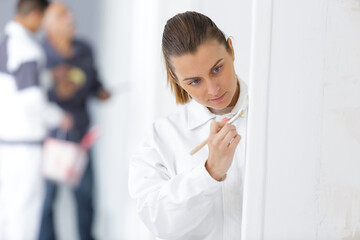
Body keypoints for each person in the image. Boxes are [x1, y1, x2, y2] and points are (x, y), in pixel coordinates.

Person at [128, 11, 248, 240]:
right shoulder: (161, 138)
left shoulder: (273, 117)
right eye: (195, 81)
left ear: (231, 50)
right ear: (176, 80)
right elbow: (159, 221)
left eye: (217, 69)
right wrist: (210, 172)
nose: (213, 90)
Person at [0, 0, 73, 239]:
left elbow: (19, 85)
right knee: (24, 216)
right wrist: (60, 117)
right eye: (43, 19)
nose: (43, 25)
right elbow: (32, 102)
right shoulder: (27, 49)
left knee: (8, 215)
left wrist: (48, 77)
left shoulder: (9, 43)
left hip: (8, 145)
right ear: (34, 15)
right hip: (24, 149)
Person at [38, 2, 110, 240]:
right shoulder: (39, 55)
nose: (70, 17)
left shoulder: (85, 49)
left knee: (86, 198)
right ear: (47, 25)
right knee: (46, 202)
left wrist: (101, 92)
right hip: (50, 138)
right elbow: (33, 98)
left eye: (69, 12)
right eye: (62, 15)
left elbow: (94, 84)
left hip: (81, 135)